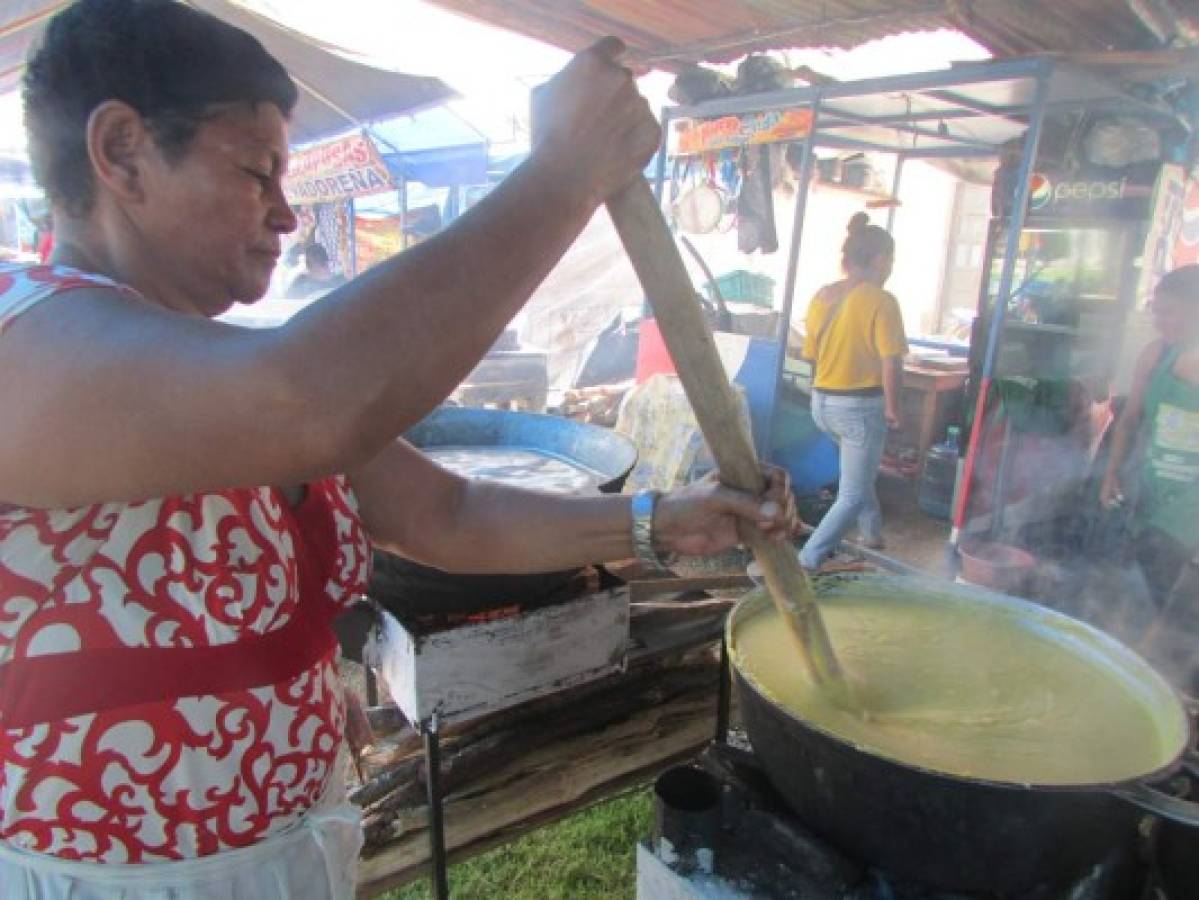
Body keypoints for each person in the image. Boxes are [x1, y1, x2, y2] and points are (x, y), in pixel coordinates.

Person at [0, 2, 798, 897]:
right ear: (121, 151)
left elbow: (442, 513)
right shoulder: (19, 338)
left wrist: (660, 523)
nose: (287, 216)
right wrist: (564, 173)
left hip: (296, 845)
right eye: (257, 172)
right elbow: (309, 403)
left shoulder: (201, 359)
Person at [798, 212, 907, 571]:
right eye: (890, 258)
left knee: (859, 473)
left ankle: (872, 532)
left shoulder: (823, 295)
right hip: (859, 406)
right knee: (853, 491)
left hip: (822, 404)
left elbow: (811, 352)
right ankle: (808, 560)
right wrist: (893, 406)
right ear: (877, 259)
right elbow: (890, 359)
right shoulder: (881, 300)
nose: (891, 266)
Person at [1101, 266, 1199, 612]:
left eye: (1168, 312)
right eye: (1155, 311)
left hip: (1192, 504)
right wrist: (1111, 473)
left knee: (1181, 610)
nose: (1159, 320)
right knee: (1151, 590)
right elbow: (1128, 422)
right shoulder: (1154, 354)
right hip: (1153, 492)